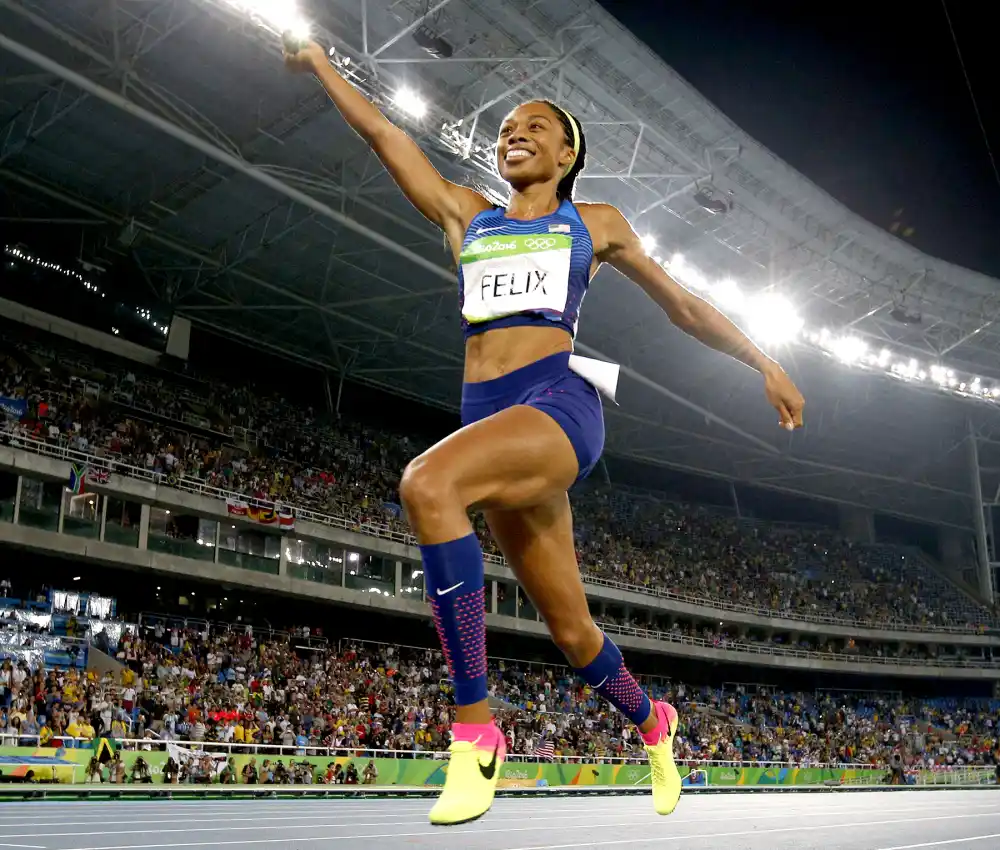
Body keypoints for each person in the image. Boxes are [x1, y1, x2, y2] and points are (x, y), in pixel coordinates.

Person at [283, 37, 804, 826]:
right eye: (505, 128)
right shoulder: (468, 214)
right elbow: (385, 136)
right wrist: (322, 62)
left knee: (427, 483)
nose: (512, 133)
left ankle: (474, 731)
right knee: (569, 627)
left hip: (558, 404)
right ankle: (653, 723)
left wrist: (763, 360)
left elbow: (683, 305)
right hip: (489, 423)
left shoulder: (592, 224)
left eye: (533, 125)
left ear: (567, 152)